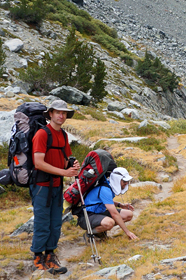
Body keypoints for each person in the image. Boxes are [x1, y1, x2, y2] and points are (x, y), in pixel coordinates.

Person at [31, 100, 80, 274]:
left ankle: (50, 257)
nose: (61, 115)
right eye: (58, 112)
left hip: (57, 185)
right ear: (50, 114)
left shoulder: (63, 135)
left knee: (55, 223)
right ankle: (38, 258)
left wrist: (72, 165)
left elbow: (65, 160)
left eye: (64, 113)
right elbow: (38, 163)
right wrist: (64, 172)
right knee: (42, 222)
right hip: (42, 186)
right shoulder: (42, 134)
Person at [77, 167, 138, 241]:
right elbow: (114, 214)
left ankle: (100, 231)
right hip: (87, 216)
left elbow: (106, 201)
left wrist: (120, 205)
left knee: (128, 214)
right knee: (109, 223)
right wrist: (128, 232)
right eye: (124, 181)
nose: (126, 183)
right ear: (117, 180)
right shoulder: (104, 189)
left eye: (127, 181)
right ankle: (89, 234)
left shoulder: (108, 185)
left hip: (98, 213)